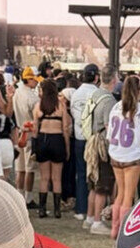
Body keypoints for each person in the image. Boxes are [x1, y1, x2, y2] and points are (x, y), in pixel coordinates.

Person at [107, 76, 140, 239]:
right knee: (128, 196)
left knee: (120, 193)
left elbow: (109, 134)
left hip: (116, 153)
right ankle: (122, 231)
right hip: (132, 156)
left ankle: (114, 228)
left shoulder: (116, 107)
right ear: (139, 90)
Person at [84, 62, 118, 235]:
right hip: (102, 145)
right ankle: (97, 222)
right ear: (114, 79)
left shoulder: (95, 94)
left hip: (92, 141)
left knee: (94, 183)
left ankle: (90, 218)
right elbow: (108, 126)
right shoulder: (109, 100)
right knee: (103, 185)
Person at [32, 78, 71, 218]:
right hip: (57, 139)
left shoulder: (38, 106)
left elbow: (35, 129)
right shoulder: (61, 106)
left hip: (43, 140)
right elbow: (65, 128)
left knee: (44, 178)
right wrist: (67, 147)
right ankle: (57, 210)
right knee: (56, 178)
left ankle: (42, 209)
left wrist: (34, 148)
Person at [70, 63, 99, 223]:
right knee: (94, 176)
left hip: (79, 137)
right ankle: (92, 211)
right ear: (96, 77)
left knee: (81, 174)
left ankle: (81, 209)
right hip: (93, 138)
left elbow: (74, 113)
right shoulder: (97, 93)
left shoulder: (76, 94)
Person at [13, 66, 40, 209]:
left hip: (18, 132)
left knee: (20, 168)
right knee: (30, 168)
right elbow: (37, 117)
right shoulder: (33, 97)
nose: (37, 82)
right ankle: (28, 198)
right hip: (29, 132)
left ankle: (19, 195)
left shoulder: (16, 92)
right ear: (29, 79)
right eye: (35, 79)